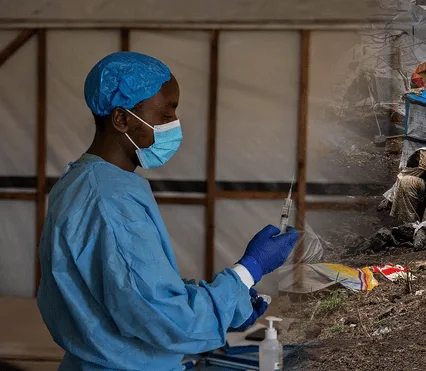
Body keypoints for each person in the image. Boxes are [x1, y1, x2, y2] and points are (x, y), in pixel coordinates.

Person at [37, 51, 300, 370]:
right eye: (165, 116)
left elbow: (130, 287)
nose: (174, 127)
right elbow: (162, 316)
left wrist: (232, 301)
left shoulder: (82, 181)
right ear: (122, 119)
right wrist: (250, 268)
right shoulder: (109, 199)